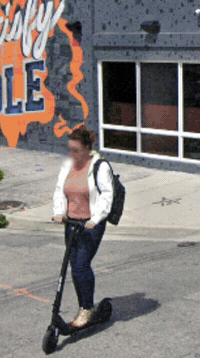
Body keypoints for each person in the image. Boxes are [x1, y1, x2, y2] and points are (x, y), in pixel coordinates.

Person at [52, 126, 114, 328]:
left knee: (80, 265)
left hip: (90, 225)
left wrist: (95, 219)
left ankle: (86, 309)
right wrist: (59, 212)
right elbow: (60, 190)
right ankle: (84, 307)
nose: (72, 154)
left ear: (87, 148)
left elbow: (106, 195)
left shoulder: (99, 166)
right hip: (71, 223)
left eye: (76, 150)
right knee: (74, 268)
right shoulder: (68, 164)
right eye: (70, 149)